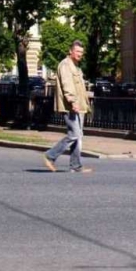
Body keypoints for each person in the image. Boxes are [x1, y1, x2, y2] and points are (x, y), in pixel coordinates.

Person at [42, 40, 94, 173]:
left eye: (81, 52)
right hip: (70, 106)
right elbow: (67, 85)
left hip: (79, 105)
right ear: (70, 51)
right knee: (74, 134)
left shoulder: (76, 66)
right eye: (77, 51)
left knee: (78, 136)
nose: (79, 54)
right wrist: (73, 102)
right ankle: (50, 156)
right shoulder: (65, 65)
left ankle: (75, 165)